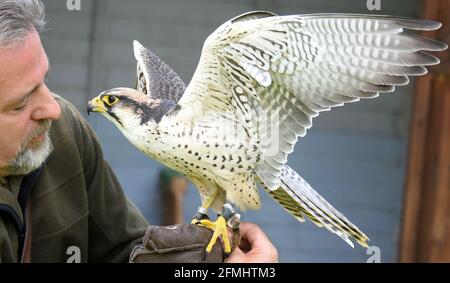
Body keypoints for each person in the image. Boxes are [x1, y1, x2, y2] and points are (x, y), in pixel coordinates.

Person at [0, 0, 278, 263]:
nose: (52, 109)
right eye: (21, 103)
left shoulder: (65, 135)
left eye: (44, 81)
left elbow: (125, 249)